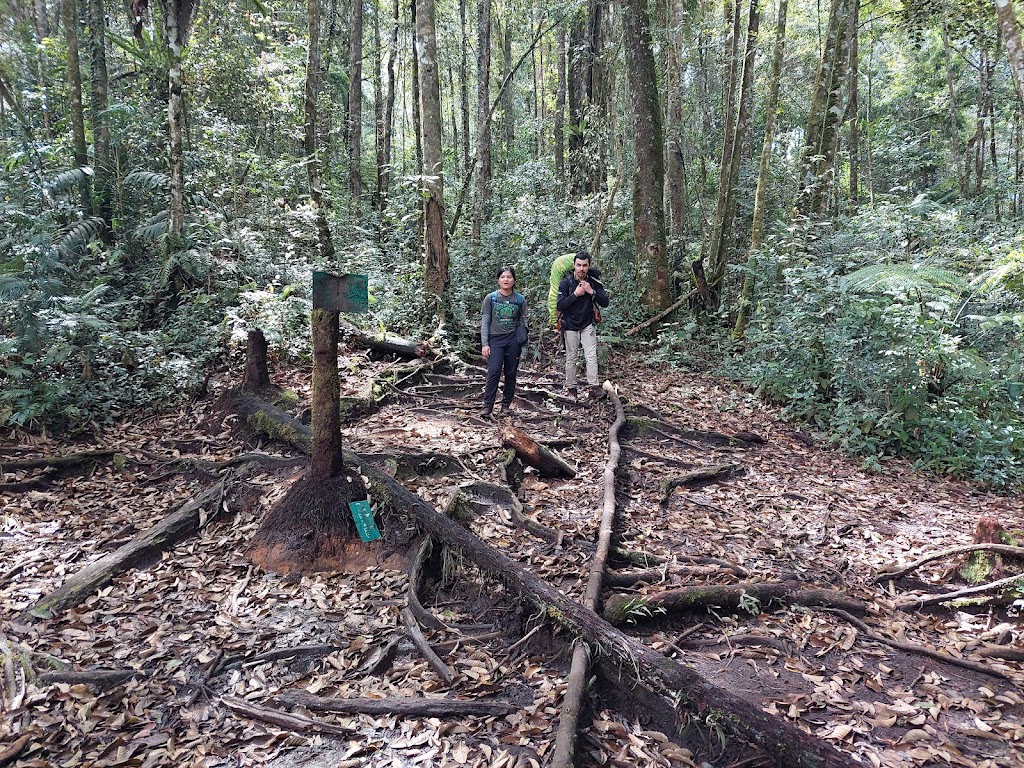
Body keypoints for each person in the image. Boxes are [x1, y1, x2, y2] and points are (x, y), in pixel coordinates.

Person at [556, 251, 609, 400]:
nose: (581, 269)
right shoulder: (566, 282)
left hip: (587, 325)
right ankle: (571, 387)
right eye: (578, 265)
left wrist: (591, 291)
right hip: (570, 325)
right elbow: (560, 304)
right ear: (574, 266)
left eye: (584, 265)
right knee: (571, 357)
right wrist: (576, 294)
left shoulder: (593, 281)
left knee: (591, 356)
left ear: (588, 266)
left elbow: (605, 302)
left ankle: (594, 387)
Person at [480, 266, 529, 417]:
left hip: (513, 340)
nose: (506, 280)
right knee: (494, 372)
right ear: (498, 280)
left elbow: (524, 324)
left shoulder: (519, 300)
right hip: (495, 340)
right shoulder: (491, 298)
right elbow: (485, 322)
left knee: (511, 373)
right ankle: (487, 406)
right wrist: (485, 344)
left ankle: (506, 405)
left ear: (514, 280)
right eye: (503, 277)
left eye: (509, 277)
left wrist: (524, 347)